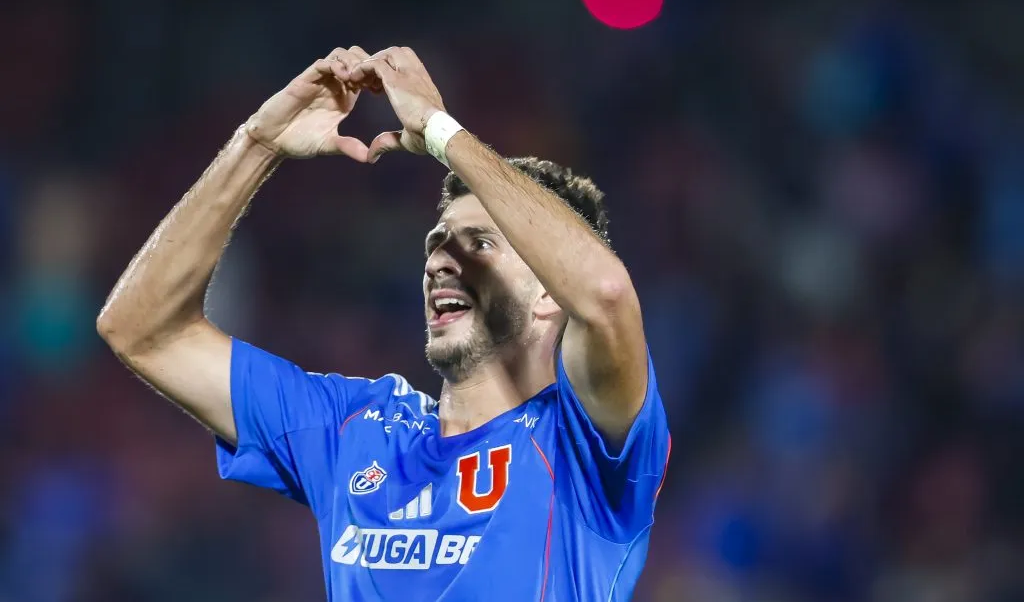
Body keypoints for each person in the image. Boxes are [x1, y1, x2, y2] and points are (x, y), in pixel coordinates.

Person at [97, 45, 671, 601]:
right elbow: (142, 329)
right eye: (436, 243)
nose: (441, 260)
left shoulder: (587, 443)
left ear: (549, 292)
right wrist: (255, 145)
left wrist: (442, 133)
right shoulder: (355, 430)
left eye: (480, 244)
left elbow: (604, 292)